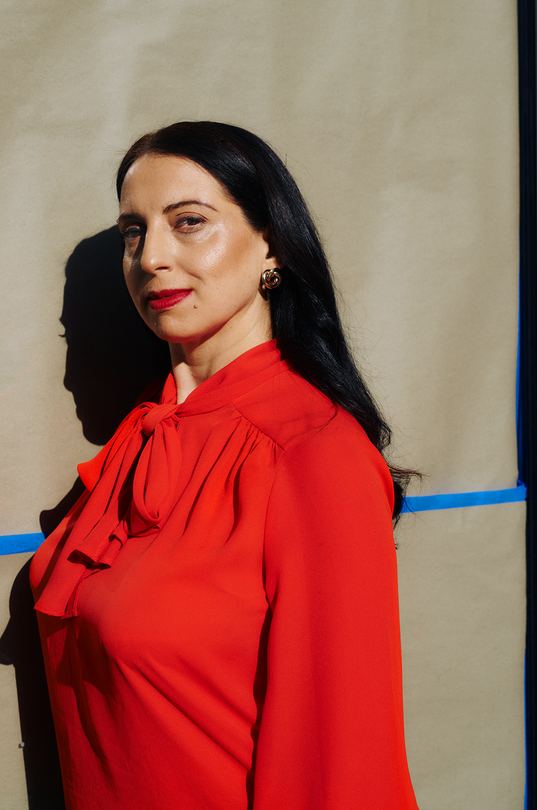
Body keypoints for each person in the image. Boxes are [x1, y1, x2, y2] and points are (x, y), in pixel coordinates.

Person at [30, 121, 419, 810]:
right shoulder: (142, 438)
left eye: (189, 223)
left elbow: (341, 759)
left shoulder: (309, 450)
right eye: (132, 232)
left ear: (270, 243)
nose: (151, 256)